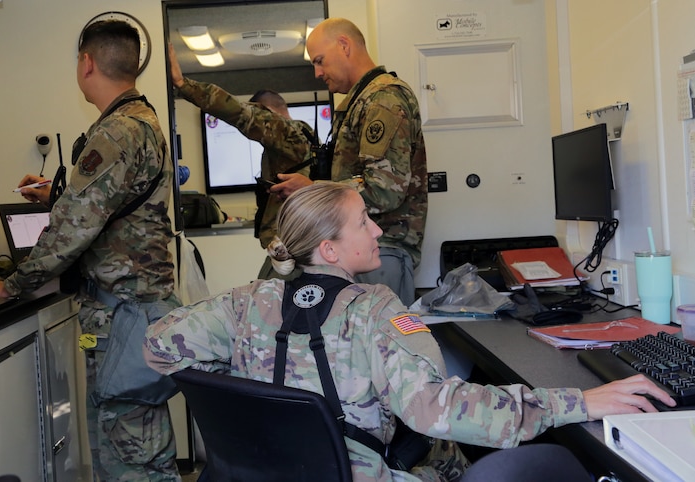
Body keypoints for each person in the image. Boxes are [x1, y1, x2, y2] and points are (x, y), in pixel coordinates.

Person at [144, 182, 675, 482]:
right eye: (363, 222)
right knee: (553, 464)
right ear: (329, 250)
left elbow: (159, 346)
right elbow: (436, 411)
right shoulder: (376, 308)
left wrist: (247, 394)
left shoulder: (243, 302)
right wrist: (580, 402)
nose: (378, 229)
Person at [0, 20, 180, 481]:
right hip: (133, 315)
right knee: (134, 444)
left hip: (123, 318)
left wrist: (11, 285)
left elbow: (72, 229)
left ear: (87, 63)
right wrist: (58, 193)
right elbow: (114, 202)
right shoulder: (139, 122)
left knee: (131, 456)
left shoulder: (116, 132)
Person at [271, 17, 426, 306]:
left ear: (344, 45)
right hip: (357, 252)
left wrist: (313, 190)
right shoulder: (362, 102)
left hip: (379, 252)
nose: (317, 73)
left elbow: (385, 190)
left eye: (320, 61)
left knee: (379, 347)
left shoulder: (383, 100)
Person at [168, 43, 315, 280]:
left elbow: (239, 113)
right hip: (297, 246)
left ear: (268, 113)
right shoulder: (306, 137)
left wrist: (184, 85)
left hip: (292, 248)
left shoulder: (285, 132)